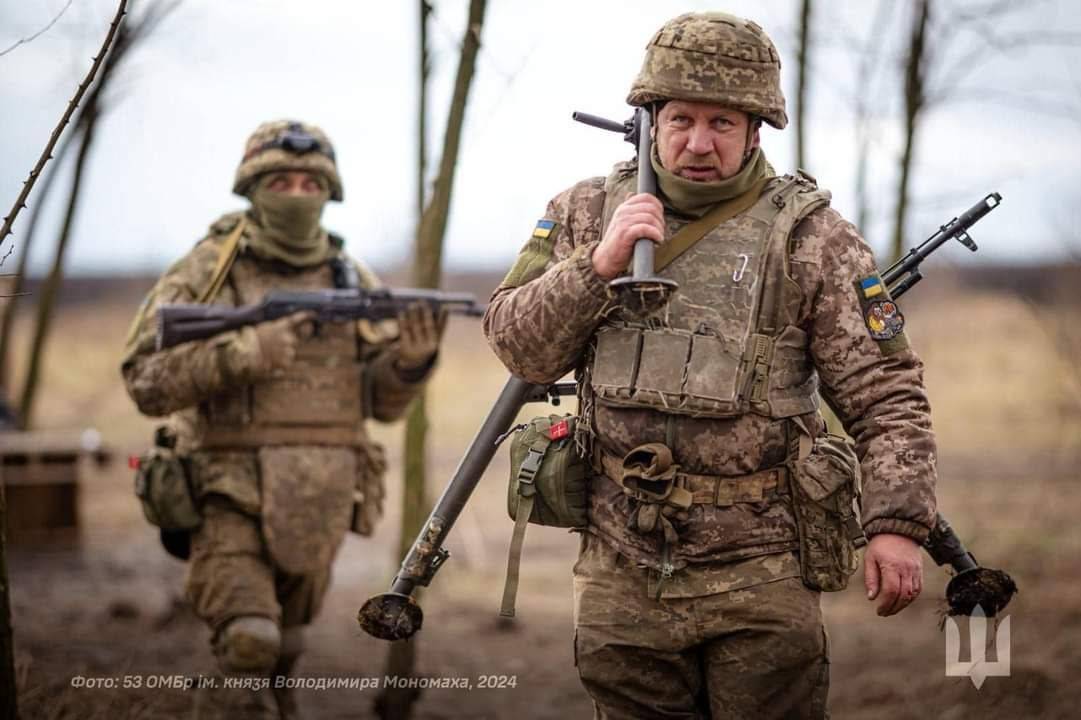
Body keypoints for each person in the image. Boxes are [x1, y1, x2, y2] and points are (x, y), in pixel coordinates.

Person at [483, 12, 936, 719]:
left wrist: (896, 525)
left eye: (722, 124)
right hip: (619, 564)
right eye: (682, 120)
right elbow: (517, 346)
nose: (699, 143)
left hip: (760, 570)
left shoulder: (812, 237)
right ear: (649, 121)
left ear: (755, 130)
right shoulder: (583, 213)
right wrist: (597, 265)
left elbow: (885, 395)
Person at [121, 120, 445, 719]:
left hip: (320, 496)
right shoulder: (209, 269)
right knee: (250, 642)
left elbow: (380, 405)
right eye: (281, 181)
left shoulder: (350, 275)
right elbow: (143, 379)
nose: (297, 195)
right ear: (251, 187)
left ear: (329, 193)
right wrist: (245, 352)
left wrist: (408, 363)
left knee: (286, 649)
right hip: (223, 490)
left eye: (309, 183)